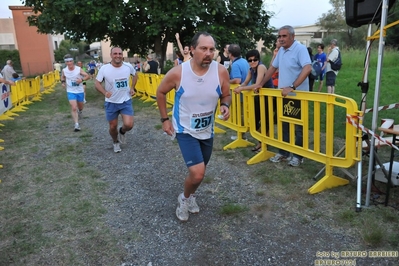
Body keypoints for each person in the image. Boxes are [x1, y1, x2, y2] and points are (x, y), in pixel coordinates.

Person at [156, 32, 231, 222]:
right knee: (197, 174)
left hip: (207, 130)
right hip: (185, 130)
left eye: (211, 49)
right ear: (192, 49)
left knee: (200, 172)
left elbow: (226, 94)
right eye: (203, 48)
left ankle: (190, 196)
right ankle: (184, 198)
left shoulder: (220, 71)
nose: (208, 53)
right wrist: (165, 119)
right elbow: (161, 92)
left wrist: (225, 105)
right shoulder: (178, 73)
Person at [259, 25, 311, 167]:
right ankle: (284, 153)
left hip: (298, 95)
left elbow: (308, 68)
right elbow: (272, 68)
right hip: (284, 95)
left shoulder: (300, 49)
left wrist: (292, 86)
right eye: (279, 36)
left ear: (292, 37)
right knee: (284, 125)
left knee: (299, 127)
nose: (281, 39)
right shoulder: (281, 50)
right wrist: (261, 83)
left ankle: (299, 156)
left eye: (284, 36)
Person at [94, 47, 138, 153]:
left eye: (120, 53)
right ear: (111, 55)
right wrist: (105, 93)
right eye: (115, 54)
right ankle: (115, 141)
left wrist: (132, 87)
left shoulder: (128, 66)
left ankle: (122, 131)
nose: (118, 56)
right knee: (112, 126)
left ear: (122, 55)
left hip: (125, 100)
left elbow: (135, 75)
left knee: (129, 125)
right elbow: (97, 83)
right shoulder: (104, 68)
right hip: (111, 102)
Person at [233, 49, 275, 152]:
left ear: (258, 59)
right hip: (258, 97)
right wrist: (238, 87)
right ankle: (262, 142)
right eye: (250, 60)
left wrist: (242, 88)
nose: (252, 62)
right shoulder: (251, 69)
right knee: (254, 122)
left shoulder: (261, 67)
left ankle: (263, 144)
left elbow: (257, 84)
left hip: (267, 98)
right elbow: (245, 82)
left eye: (255, 59)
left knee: (265, 122)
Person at [61, 54, 90, 132]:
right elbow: (63, 77)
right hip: (70, 91)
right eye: (67, 62)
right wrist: (63, 82)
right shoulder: (64, 70)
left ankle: (80, 111)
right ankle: (76, 125)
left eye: (70, 61)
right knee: (74, 107)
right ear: (65, 62)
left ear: (73, 61)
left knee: (80, 107)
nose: (69, 63)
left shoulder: (78, 69)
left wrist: (82, 80)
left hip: (79, 91)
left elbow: (87, 76)